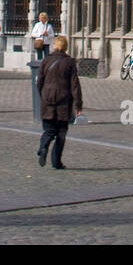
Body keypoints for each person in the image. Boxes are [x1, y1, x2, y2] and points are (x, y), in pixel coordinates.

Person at [36, 36, 82, 171]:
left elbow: (39, 82)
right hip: (63, 101)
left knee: (49, 130)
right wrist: (78, 104)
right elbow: (75, 85)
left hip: (48, 100)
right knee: (61, 133)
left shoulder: (46, 60)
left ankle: (43, 146)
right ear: (66, 47)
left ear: (55, 46)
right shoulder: (69, 62)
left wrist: (43, 95)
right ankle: (56, 162)